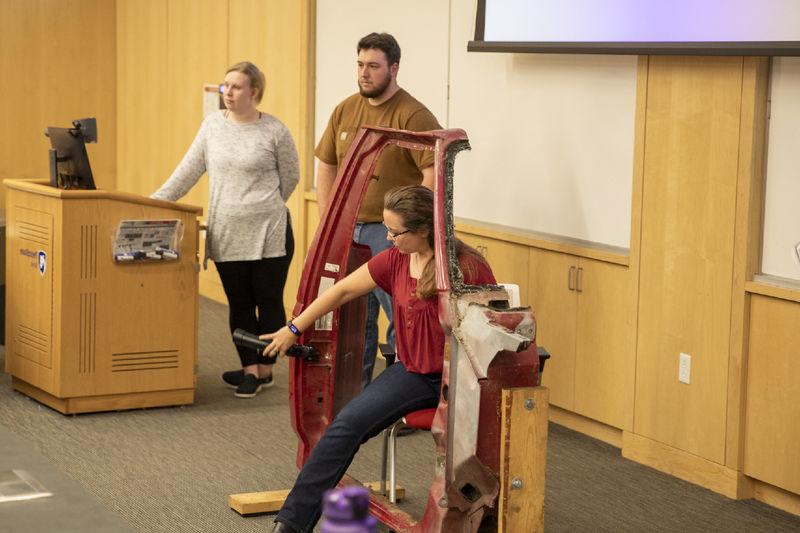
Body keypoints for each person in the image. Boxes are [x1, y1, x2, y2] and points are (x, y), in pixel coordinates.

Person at [262, 186, 496, 533]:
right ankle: (292, 524)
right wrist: (293, 328)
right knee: (344, 426)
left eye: (395, 231)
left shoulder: (467, 267)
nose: (388, 237)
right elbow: (340, 290)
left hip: (464, 380)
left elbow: (493, 326)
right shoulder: (395, 259)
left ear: (423, 230)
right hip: (415, 374)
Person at [151, 61, 299, 399]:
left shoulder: (274, 130)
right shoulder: (212, 127)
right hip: (227, 231)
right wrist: (152, 202)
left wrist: (260, 207)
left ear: (254, 92)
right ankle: (251, 368)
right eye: (225, 85)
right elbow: (186, 172)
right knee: (240, 303)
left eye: (235, 87)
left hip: (269, 231)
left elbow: (291, 177)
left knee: (268, 300)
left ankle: (263, 369)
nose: (227, 92)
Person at [315, 32, 442, 388]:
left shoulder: (413, 115)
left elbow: (431, 174)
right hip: (347, 232)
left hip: (390, 236)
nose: (364, 73)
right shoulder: (345, 109)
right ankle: (358, 398)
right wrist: (329, 220)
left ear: (394, 68)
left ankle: (405, 399)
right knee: (354, 322)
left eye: (373, 66)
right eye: (360, 65)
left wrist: (411, 228)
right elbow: (326, 164)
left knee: (402, 319)